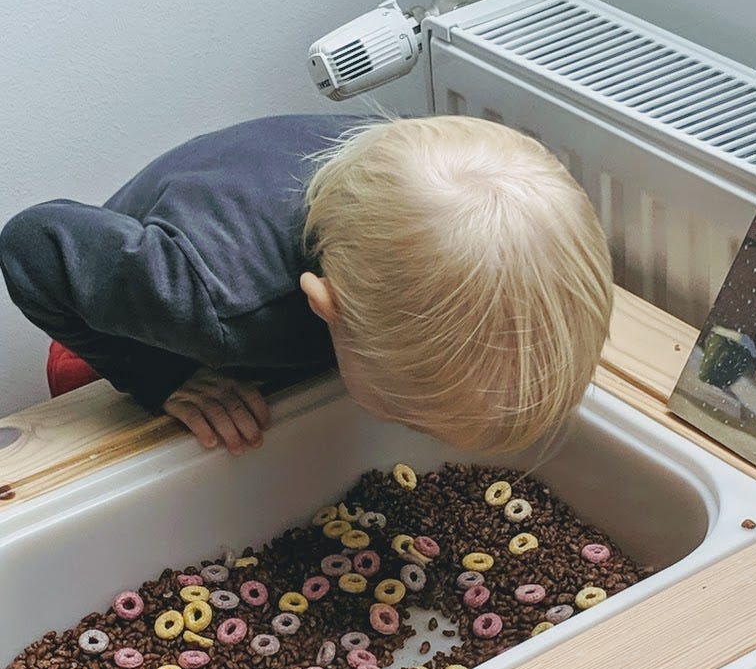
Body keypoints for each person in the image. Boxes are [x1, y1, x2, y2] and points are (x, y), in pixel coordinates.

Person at [0, 114, 613, 455]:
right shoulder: (205, 299)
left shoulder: (413, 169)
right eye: (414, 421)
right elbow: (33, 248)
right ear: (325, 306)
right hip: (113, 322)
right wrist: (157, 377)